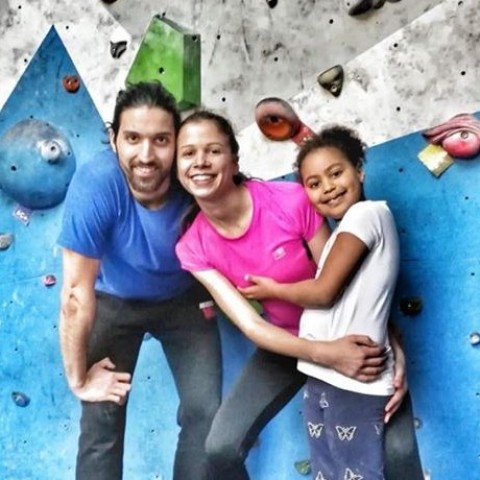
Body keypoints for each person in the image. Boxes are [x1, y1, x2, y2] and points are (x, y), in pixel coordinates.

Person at [175, 111, 421, 479]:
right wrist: (323, 353)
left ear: (234, 159)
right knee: (221, 447)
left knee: (399, 452)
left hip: (349, 339)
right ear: (177, 167)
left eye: (213, 150)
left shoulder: (291, 200)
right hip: (287, 345)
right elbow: (253, 327)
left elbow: (347, 286)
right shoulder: (192, 246)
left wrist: (393, 350)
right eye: (188, 153)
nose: (200, 162)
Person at [57, 82, 223, 480]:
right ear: (114, 138)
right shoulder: (97, 184)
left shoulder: (195, 177)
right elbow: (76, 294)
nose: (146, 155)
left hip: (183, 300)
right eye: (133, 138)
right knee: (102, 415)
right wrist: (79, 380)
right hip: (114, 301)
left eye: (161, 140)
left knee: (205, 413)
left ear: (177, 141)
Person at [239, 125, 400, 479]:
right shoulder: (344, 231)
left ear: (359, 170)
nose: (328, 187)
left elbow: (325, 292)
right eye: (314, 183)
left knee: (358, 474)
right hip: (325, 374)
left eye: (336, 173)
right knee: (327, 473)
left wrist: (273, 290)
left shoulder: (367, 215)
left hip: (355, 381)